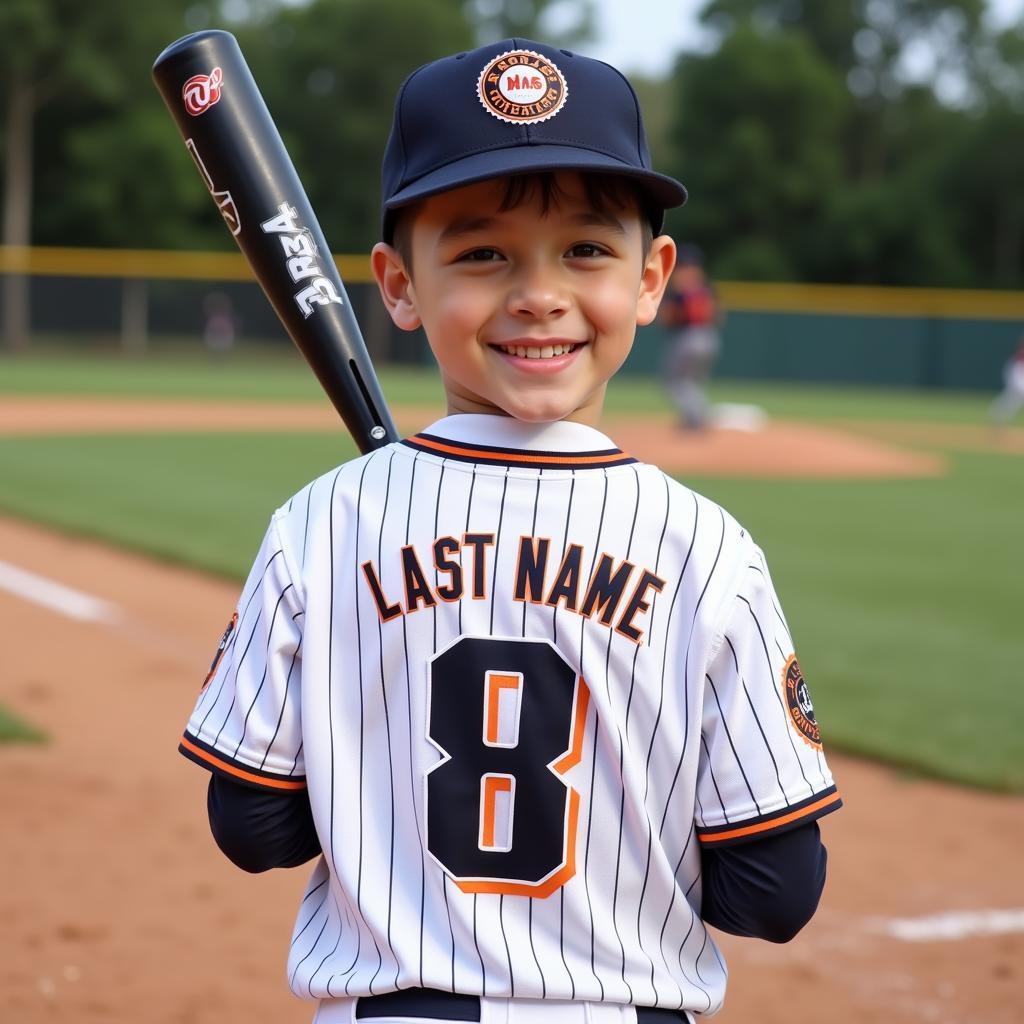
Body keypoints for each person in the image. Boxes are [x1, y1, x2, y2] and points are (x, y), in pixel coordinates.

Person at [178, 39, 842, 1024]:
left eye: (582, 247)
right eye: (487, 251)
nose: (538, 291)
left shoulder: (322, 522)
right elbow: (774, 891)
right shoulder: (705, 548)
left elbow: (253, 825)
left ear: (653, 274)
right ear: (397, 284)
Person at [658, 245, 721, 430]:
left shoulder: (678, 289)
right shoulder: (707, 287)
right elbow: (717, 315)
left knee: (674, 381)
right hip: (709, 337)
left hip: (686, 337)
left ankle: (697, 418)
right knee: (694, 382)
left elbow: (668, 317)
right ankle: (693, 417)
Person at [990, 339, 1024, 428]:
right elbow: (1020, 356)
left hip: (1019, 370)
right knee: (1016, 394)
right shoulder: (1021, 352)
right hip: (1016, 369)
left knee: (1013, 398)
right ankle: (997, 417)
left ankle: (997, 418)